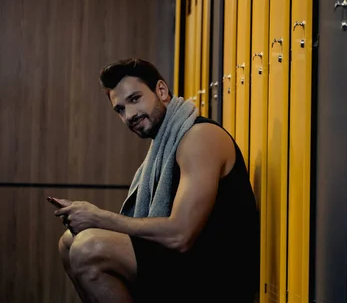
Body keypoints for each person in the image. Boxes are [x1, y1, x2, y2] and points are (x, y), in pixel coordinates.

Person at [50, 58, 260, 303]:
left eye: (135, 99)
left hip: (218, 279)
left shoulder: (201, 138)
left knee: (89, 247)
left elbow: (180, 234)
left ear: (161, 90)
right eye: (120, 109)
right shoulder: (165, 141)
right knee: (69, 242)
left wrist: (98, 217)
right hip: (185, 265)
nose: (129, 115)